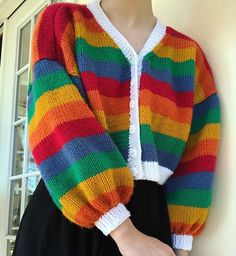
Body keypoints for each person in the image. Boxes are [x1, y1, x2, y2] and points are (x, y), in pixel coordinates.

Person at [12, 0, 221, 256]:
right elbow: (55, 117)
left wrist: (181, 244)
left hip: (151, 223)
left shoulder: (189, 56)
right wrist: (122, 231)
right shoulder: (63, 22)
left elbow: (198, 154)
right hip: (69, 215)